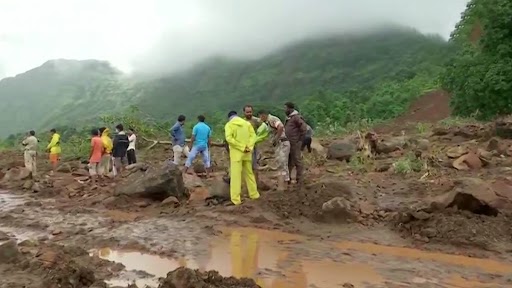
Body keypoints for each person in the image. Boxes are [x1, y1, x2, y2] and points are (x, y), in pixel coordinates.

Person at [224, 111, 259, 205]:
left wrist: (241, 147)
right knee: (249, 174)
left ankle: (236, 199)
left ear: (229, 118)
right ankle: (254, 194)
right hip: (247, 153)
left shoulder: (229, 125)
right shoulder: (247, 124)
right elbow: (253, 136)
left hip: (236, 155)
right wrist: (249, 147)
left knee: (236, 177)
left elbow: (229, 139)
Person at [258, 110, 290, 191]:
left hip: (282, 143)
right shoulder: (269, 122)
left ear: (263, 115)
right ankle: (283, 184)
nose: (260, 118)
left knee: (282, 164)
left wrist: (276, 138)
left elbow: (280, 127)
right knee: (280, 163)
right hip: (279, 144)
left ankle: (283, 186)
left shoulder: (272, 119)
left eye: (260, 116)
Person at [284, 102, 308, 187]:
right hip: (289, 143)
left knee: (297, 160)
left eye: (286, 108)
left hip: (295, 143)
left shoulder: (296, 118)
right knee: (289, 161)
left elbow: (304, 128)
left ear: (290, 109)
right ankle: (289, 179)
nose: (284, 110)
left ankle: (300, 179)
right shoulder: (289, 118)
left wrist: (300, 140)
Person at [243, 105, 264, 178]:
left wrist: (258, 138)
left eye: (250, 112)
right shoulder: (242, 122)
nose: (249, 114)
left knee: (254, 163)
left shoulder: (257, 121)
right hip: (244, 145)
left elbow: (264, 129)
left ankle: (256, 180)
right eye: (247, 112)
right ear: (244, 112)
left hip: (253, 145)